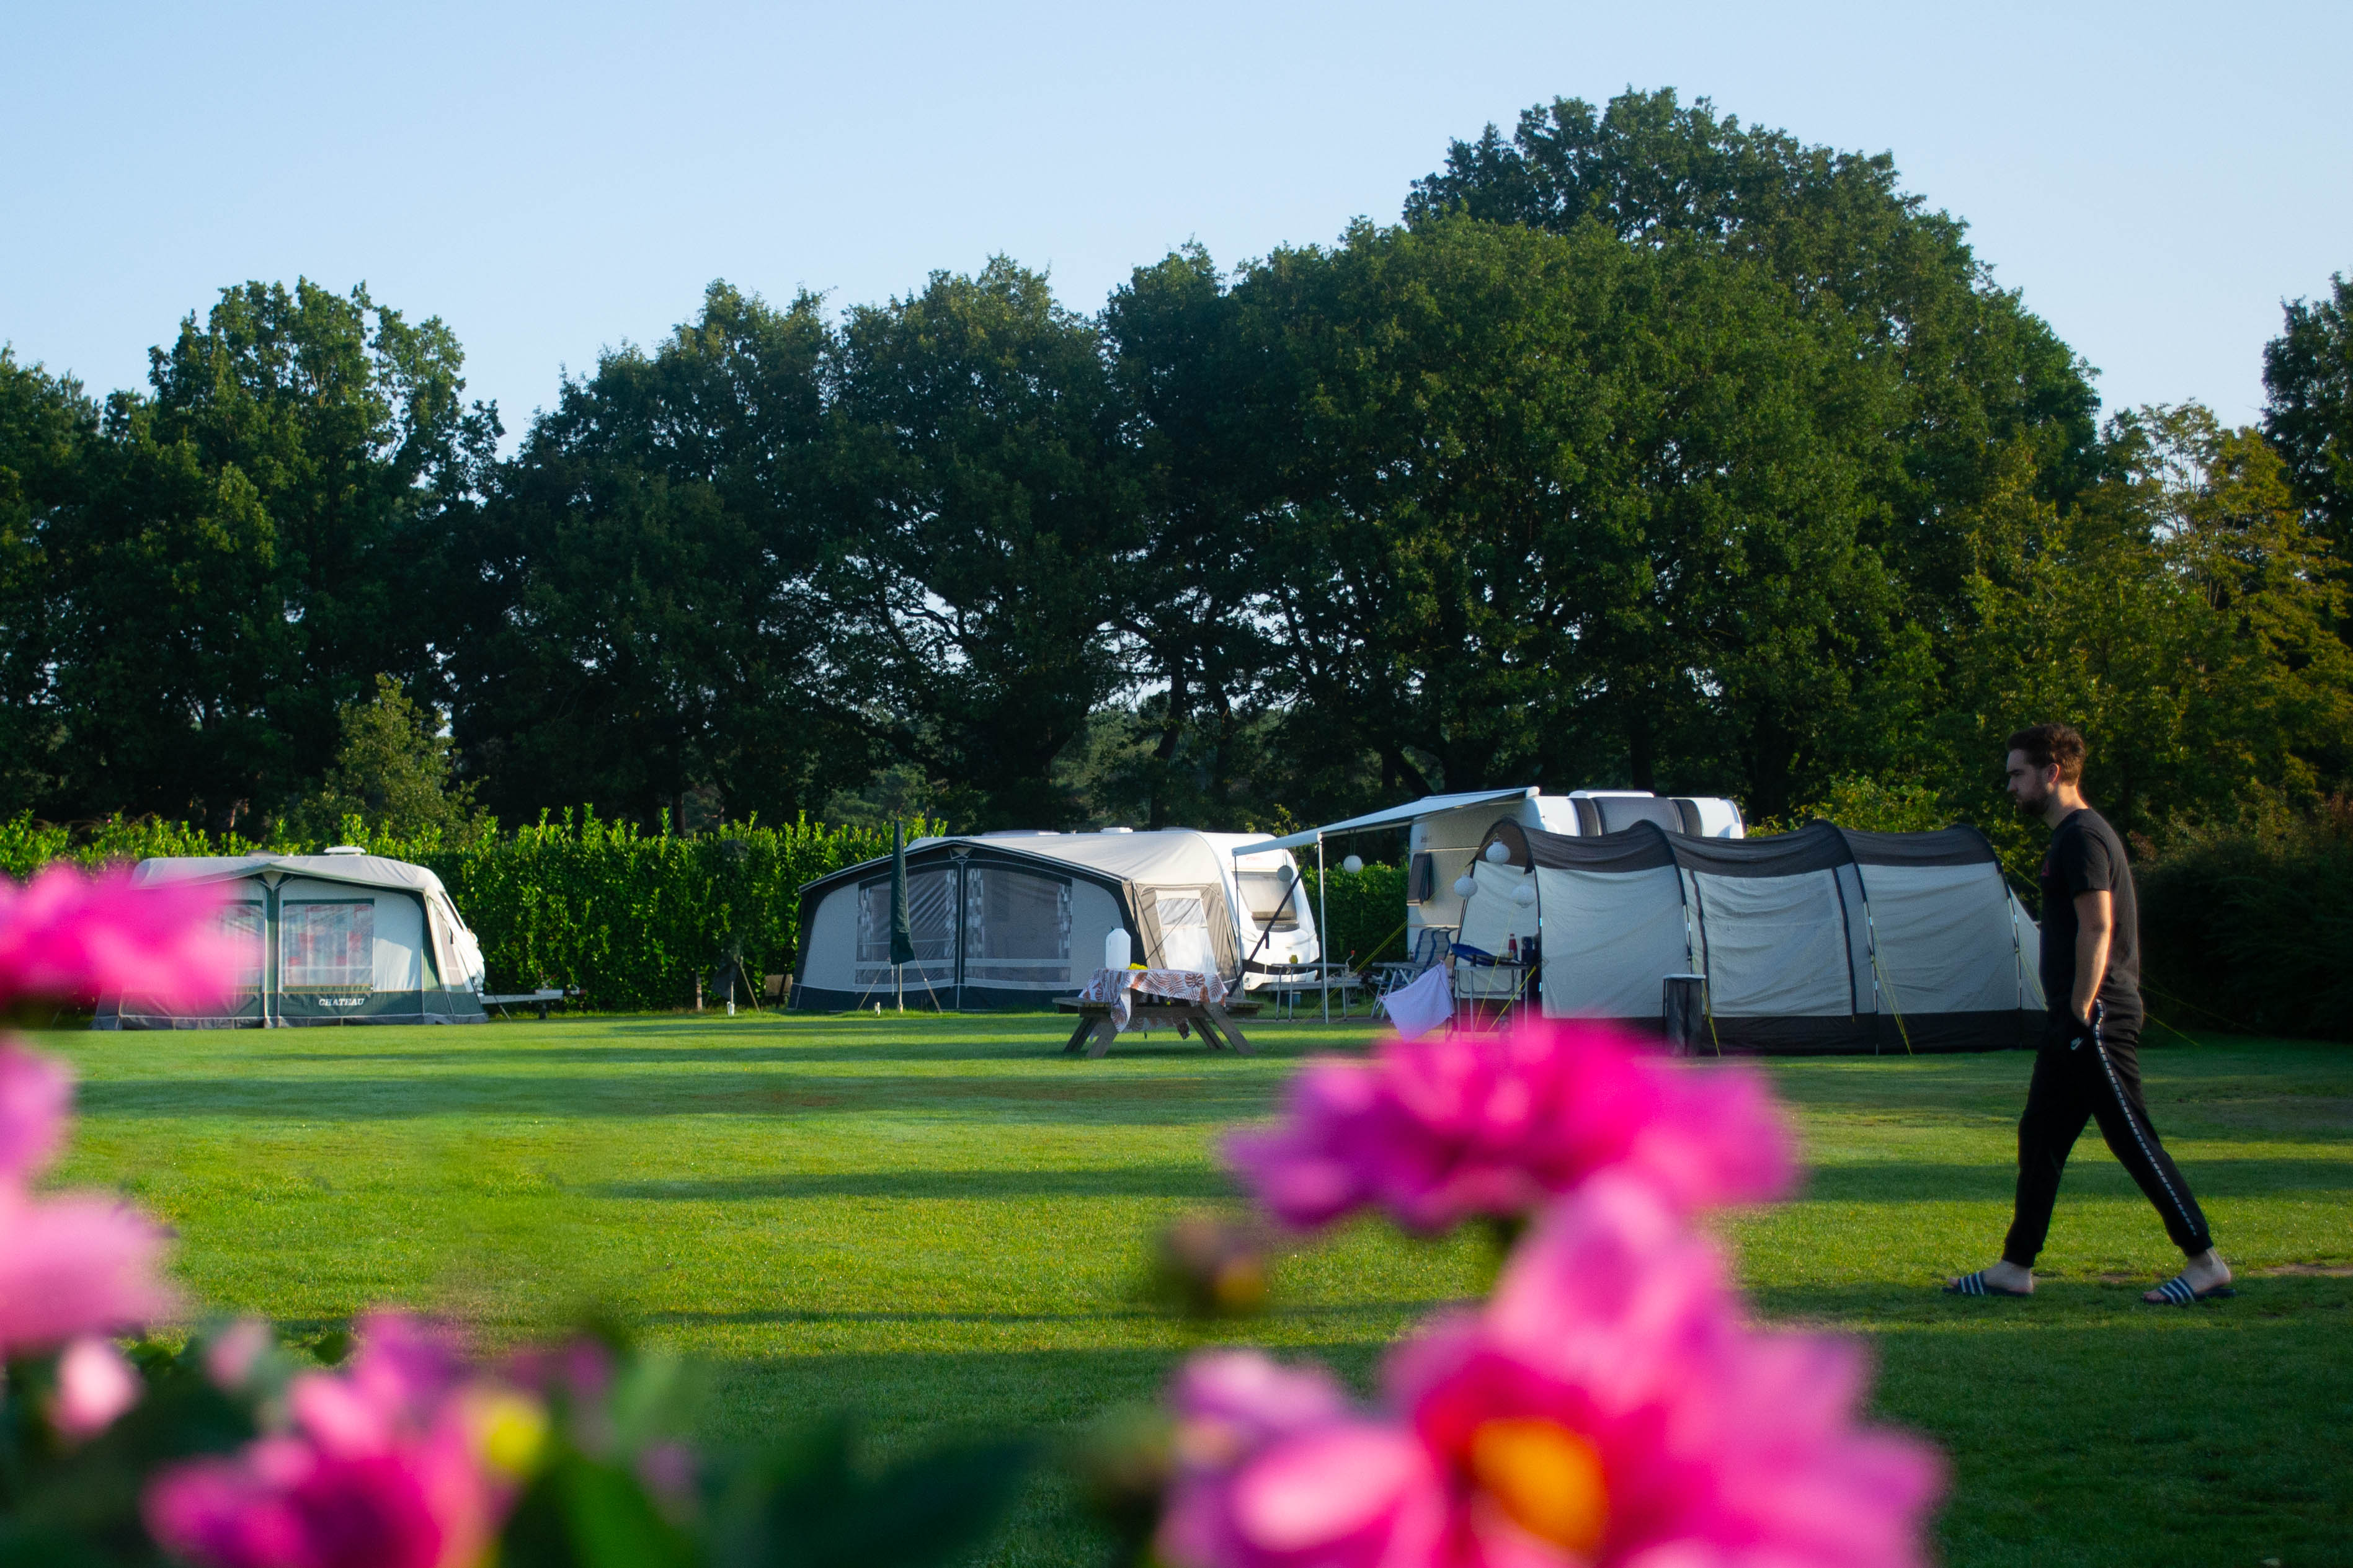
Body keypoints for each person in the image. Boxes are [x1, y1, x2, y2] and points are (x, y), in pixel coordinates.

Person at [1944, 724, 2233, 1306]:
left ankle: (2205, 1261)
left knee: (2131, 1138)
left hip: (2094, 1018)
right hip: (2073, 1021)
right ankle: (2014, 1266)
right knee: (2041, 1136)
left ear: (2052, 773)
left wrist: (2079, 1011)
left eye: (2018, 774)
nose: (2011, 786)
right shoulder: (2069, 837)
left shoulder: (2081, 837)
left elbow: (2098, 925)